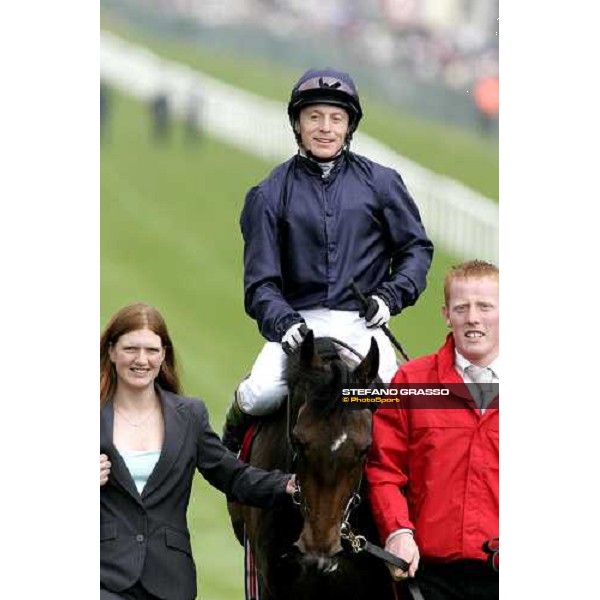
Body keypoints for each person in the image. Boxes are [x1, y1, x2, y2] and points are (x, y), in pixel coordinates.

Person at [222, 67, 434, 452]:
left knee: (396, 406)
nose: (325, 127)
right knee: (260, 394)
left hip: (362, 324)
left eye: (336, 118)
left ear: (349, 126)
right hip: (297, 324)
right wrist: (283, 322)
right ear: (297, 124)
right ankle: (233, 458)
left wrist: (389, 297)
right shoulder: (268, 195)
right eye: (314, 117)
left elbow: (416, 250)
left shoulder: (383, 184)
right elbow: (260, 284)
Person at [100, 303, 296, 600]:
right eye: (131, 349)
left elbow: (232, 476)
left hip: (169, 579)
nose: (142, 360)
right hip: (104, 576)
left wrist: (287, 485)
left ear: (164, 355)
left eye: (152, 350)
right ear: (112, 351)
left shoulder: (189, 415)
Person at [365, 259, 499, 600]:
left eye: (485, 306)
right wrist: (397, 530)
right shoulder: (411, 383)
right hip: (429, 578)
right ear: (446, 314)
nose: (473, 318)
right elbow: (384, 470)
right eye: (461, 307)